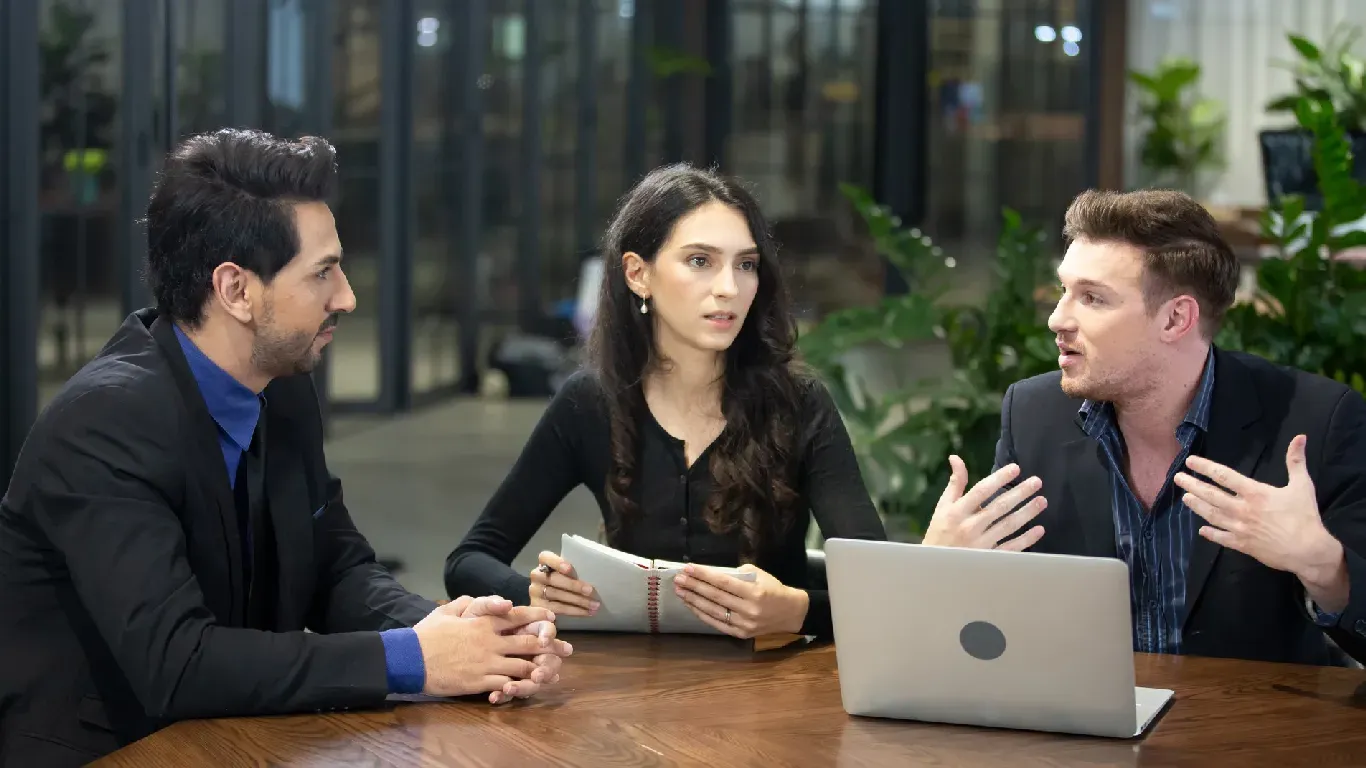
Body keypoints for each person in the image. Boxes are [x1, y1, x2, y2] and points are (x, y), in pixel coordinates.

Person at [0, 129, 571, 766]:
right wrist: (417, 660)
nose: (347, 296)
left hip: (234, 738)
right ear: (235, 290)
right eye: (322, 273)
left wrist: (456, 632)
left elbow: (336, 565)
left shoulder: (281, 387)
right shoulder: (105, 423)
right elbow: (177, 663)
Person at [920, 188, 1366, 666]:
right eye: (1063, 291)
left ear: (1176, 318)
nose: (1057, 318)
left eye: (1092, 298)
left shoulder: (1314, 420)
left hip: (1250, 729)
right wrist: (940, 570)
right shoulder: (1032, 415)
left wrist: (1324, 567)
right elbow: (996, 626)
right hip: (1085, 724)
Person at [444, 164, 885, 640]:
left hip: (772, 688)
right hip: (629, 692)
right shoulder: (590, 402)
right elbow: (469, 560)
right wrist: (532, 595)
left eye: (746, 264)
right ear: (638, 273)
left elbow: (878, 587)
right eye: (700, 261)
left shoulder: (800, 404)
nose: (729, 288)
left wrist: (799, 612)